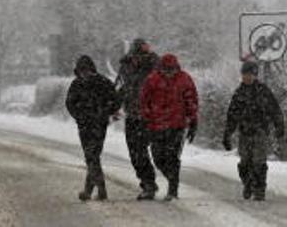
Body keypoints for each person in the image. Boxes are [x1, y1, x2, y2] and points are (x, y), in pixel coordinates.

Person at [140, 53, 198, 202]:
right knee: (158, 157)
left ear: (176, 67)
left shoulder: (184, 79)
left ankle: (173, 189)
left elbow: (191, 100)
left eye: (171, 69)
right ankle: (172, 180)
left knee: (172, 157)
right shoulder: (152, 80)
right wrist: (146, 119)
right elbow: (144, 101)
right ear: (161, 68)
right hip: (156, 125)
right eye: (166, 69)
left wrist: (193, 120)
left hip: (177, 126)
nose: (169, 72)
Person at [222, 61, 284, 201]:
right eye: (245, 74)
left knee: (259, 162)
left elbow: (275, 110)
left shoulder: (264, 91)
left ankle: (259, 189)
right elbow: (232, 115)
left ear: (255, 75)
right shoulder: (239, 93)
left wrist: (279, 126)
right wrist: (227, 134)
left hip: (260, 131)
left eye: (250, 74)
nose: (247, 77)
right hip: (244, 132)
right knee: (244, 163)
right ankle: (248, 183)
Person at [65, 55, 121, 201]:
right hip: (88, 124)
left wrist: (103, 113)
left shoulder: (98, 83)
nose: (85, 73)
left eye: (86, 70)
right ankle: (92, 191)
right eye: (82, 71)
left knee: (92, 156)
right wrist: (80, 115)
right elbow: (70, 103)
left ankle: (98, 190)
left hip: (97, 124)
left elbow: (115, 101)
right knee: (92, 156)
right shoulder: (84, 84)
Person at [114, 38, 160, 200]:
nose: (137, 59)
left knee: (146, 152)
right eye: (136, 56)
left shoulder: (154, 69)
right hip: (133, 115)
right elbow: (123, 88)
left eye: (141, 56)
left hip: (150, 116)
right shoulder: (127, 68)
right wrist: (114, 106)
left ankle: (151, 183)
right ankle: (148, 182)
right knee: (135, 152)